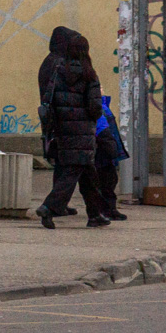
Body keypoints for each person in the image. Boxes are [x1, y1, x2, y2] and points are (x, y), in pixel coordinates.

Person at [36, 27, 108, 229]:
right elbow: (95, 107)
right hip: (83, 132)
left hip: (63, 130)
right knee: (72, 173)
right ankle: (49, 207)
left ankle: (95, 215)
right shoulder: (89, 74)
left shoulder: (58, 71)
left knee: (89, 176)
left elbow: (49, 99)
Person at [93, 95, 128, 221]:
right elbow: (102, 129)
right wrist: (112, 148)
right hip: (102, 148)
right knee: (105, 180)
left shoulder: (102, 106)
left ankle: (104, 209)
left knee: (107, 180)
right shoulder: (98, 107)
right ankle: (106, 210)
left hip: (103, 147)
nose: (101, 88)